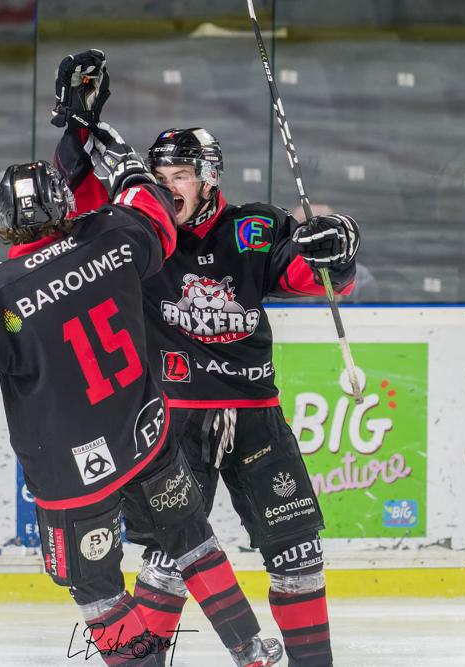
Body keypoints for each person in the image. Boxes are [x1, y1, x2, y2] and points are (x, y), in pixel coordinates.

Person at [0, 140, 283, 665]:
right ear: (65, 206)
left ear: (7, 219)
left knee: (99, 590)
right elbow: (153, 212)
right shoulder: (110, 237)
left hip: (71, 473)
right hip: (144, 435)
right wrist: (127, 165)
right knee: (189, 534)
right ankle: (250, 649)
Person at [51, 50, 362, 667]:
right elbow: (79, 198)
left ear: (209, 177)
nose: (167, 186)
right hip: (174, 424)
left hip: (255, 415)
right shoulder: (139, 235)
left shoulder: (254, 227)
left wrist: (339, 249)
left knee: (299, 555)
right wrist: (76, 128)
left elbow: (314, 278)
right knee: (169, 561)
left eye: (181, 176)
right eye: (159, 175)